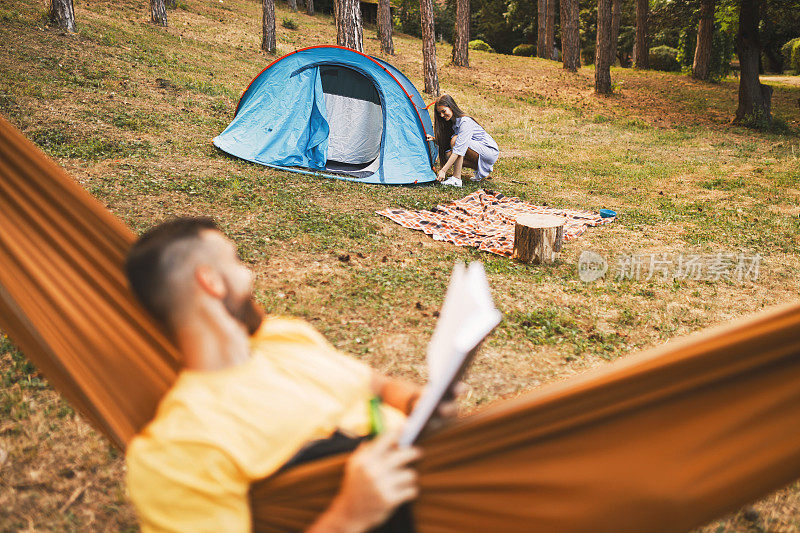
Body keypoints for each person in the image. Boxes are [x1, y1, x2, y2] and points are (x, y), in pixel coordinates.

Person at [123, 217, 458, 532]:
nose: (249, 274)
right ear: (210, 281)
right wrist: (349, 517)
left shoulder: (284, 336)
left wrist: (416, 401)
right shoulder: (182, 444)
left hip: (450, 470)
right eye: (237, 261)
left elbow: (376, 384)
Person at [426, 94, 500, 188]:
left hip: (489, 151)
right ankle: (483, 168)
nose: (442, 115)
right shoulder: (453, 123)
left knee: (456, 141)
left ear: (451, 106)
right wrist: (435, 140)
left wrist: (443, 170)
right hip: (479, 150)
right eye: (440, 113)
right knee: (448, 155)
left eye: (443, 111)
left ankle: (456, 179)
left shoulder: (465, 121)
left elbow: (459, 149)